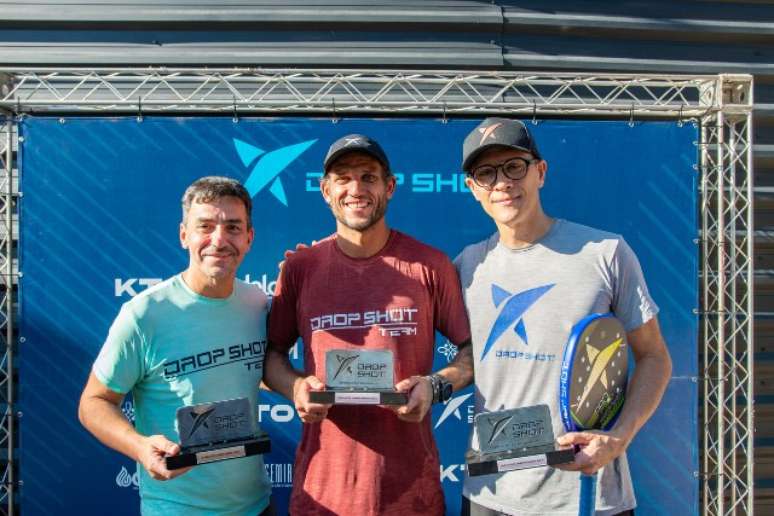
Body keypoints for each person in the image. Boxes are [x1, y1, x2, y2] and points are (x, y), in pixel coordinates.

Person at [455, 118, 673, 515]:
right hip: (491, 493)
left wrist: (619, 438)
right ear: (473, 189)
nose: (501, 182)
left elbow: (655, 357)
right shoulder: (467, 266)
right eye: (485, 173)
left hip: (586, 494)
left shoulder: (605, 252)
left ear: (540, 172)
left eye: (514, 167)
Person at [263, 134, 473, 515]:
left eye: (368, 177)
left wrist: (435, 385)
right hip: (323, 494)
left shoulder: (430, 265)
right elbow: (270, 358)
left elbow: (472, 353)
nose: (355, 189)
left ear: (389, 187)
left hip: (413, 494)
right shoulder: (300, 268)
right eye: (342, 178)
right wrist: (295, 387)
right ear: (325, 190)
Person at [78, 176, 273, 516]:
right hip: (176, 509)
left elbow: (259, 373)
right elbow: (93, 403)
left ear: (249, 238)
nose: (219, 239)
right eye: (205, 226)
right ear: (184, 235)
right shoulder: (144, 314)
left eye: (232, 227)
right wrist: (140, 446)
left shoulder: (257, 303)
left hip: (257, 506)